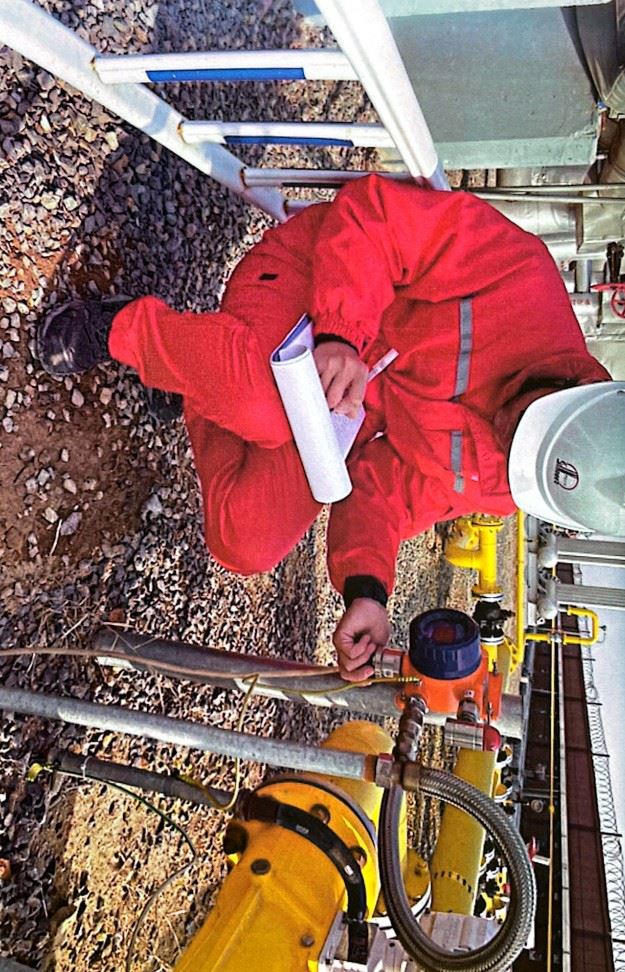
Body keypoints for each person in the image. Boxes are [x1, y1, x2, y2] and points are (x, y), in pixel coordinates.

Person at [37, 175, 624, 681]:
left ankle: (192, 371)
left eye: (519, 450)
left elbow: (384, 494)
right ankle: (125, 327)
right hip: (315, 288)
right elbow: (372, 215)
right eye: (529, 420)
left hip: (340, 405)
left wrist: (368, 590)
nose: (506, 432)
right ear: (578, 391)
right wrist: (343, 332)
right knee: (268, 407)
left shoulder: (513, 480)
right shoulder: (520, 278)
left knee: (248, 540)